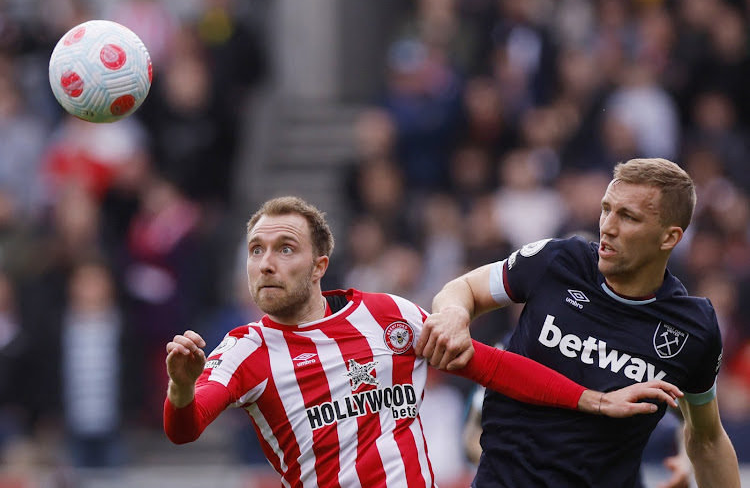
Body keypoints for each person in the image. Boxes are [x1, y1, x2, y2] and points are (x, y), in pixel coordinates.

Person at [164, 196, 683, 487]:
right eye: (256, 250)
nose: (266, 262)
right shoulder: (244, 349)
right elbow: (184, 430)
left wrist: (594, 399)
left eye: (284, 248)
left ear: (320, 265)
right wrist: (182, 390)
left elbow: (495, 368)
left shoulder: (389, 317)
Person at [417, 158, 741, 487]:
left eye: (628, 216)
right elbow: (463, 289)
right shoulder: (559, 261)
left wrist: (687, 463)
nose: (608, 227)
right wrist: (456, 315)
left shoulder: (693, 328)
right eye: (606, 209)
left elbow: (707, 440)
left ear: (669, 238)